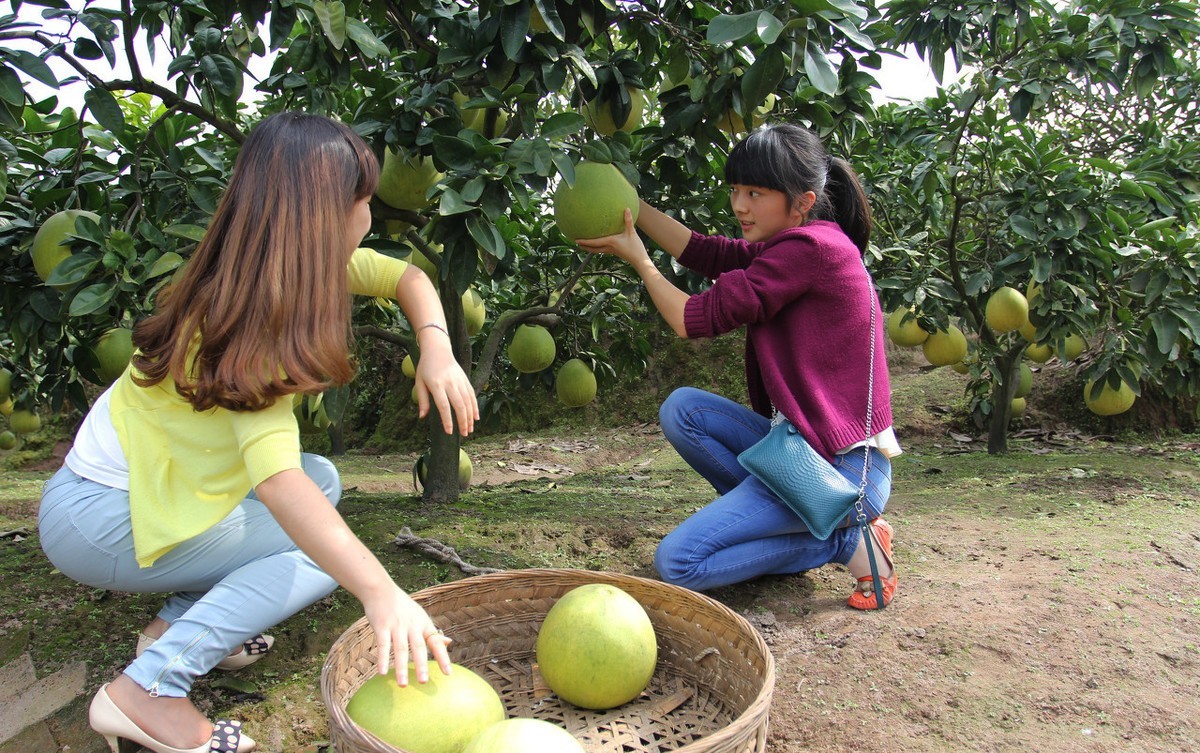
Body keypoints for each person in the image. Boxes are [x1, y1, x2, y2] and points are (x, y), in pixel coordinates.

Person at [37, 112, 478, 753]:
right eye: (362, 200)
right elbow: (276, 486)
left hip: (130, 498)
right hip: (99, 520)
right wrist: (383, 594)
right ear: (324, 215)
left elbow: (406, 277)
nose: (370, 215)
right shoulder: (255, 321)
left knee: (322, 481)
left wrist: (435, 347)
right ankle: (149, 690)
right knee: (319, 552)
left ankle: (174, 628)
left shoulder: (274, 270)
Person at [576, 123, 900, 609]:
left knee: (678, 564)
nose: (739, 205)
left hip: (842, 476)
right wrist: (631, 209)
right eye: (735, 190)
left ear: (803, 200)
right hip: (804, 454)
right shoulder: (801, 242)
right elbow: (708, 252)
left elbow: (692, 319)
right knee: (683, 409)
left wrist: (641, 261)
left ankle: (845, 540)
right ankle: (797, 520)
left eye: (755, 192)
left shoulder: (809, 250)